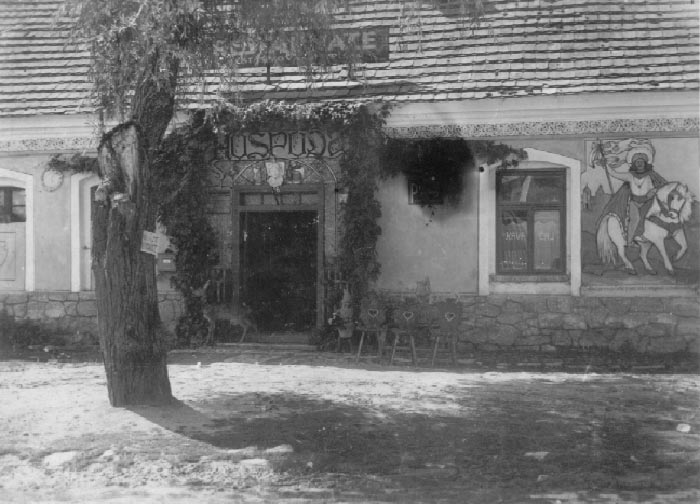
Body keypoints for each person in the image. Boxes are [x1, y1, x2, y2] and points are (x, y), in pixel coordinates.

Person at [601, 151, 666, 247]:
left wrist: (654, 190)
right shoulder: (630, 175)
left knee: (648, 218)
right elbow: (613, 173)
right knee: (635, 219)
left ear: (645, 163)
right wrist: (605, 165)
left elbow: (663, 185)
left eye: (641, 162)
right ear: (634, 164)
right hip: (634, 202)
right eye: (637, 162)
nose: (639, 164)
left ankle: (645, 236)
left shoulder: (651, 175)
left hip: (648, 202)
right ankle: (629, 241)